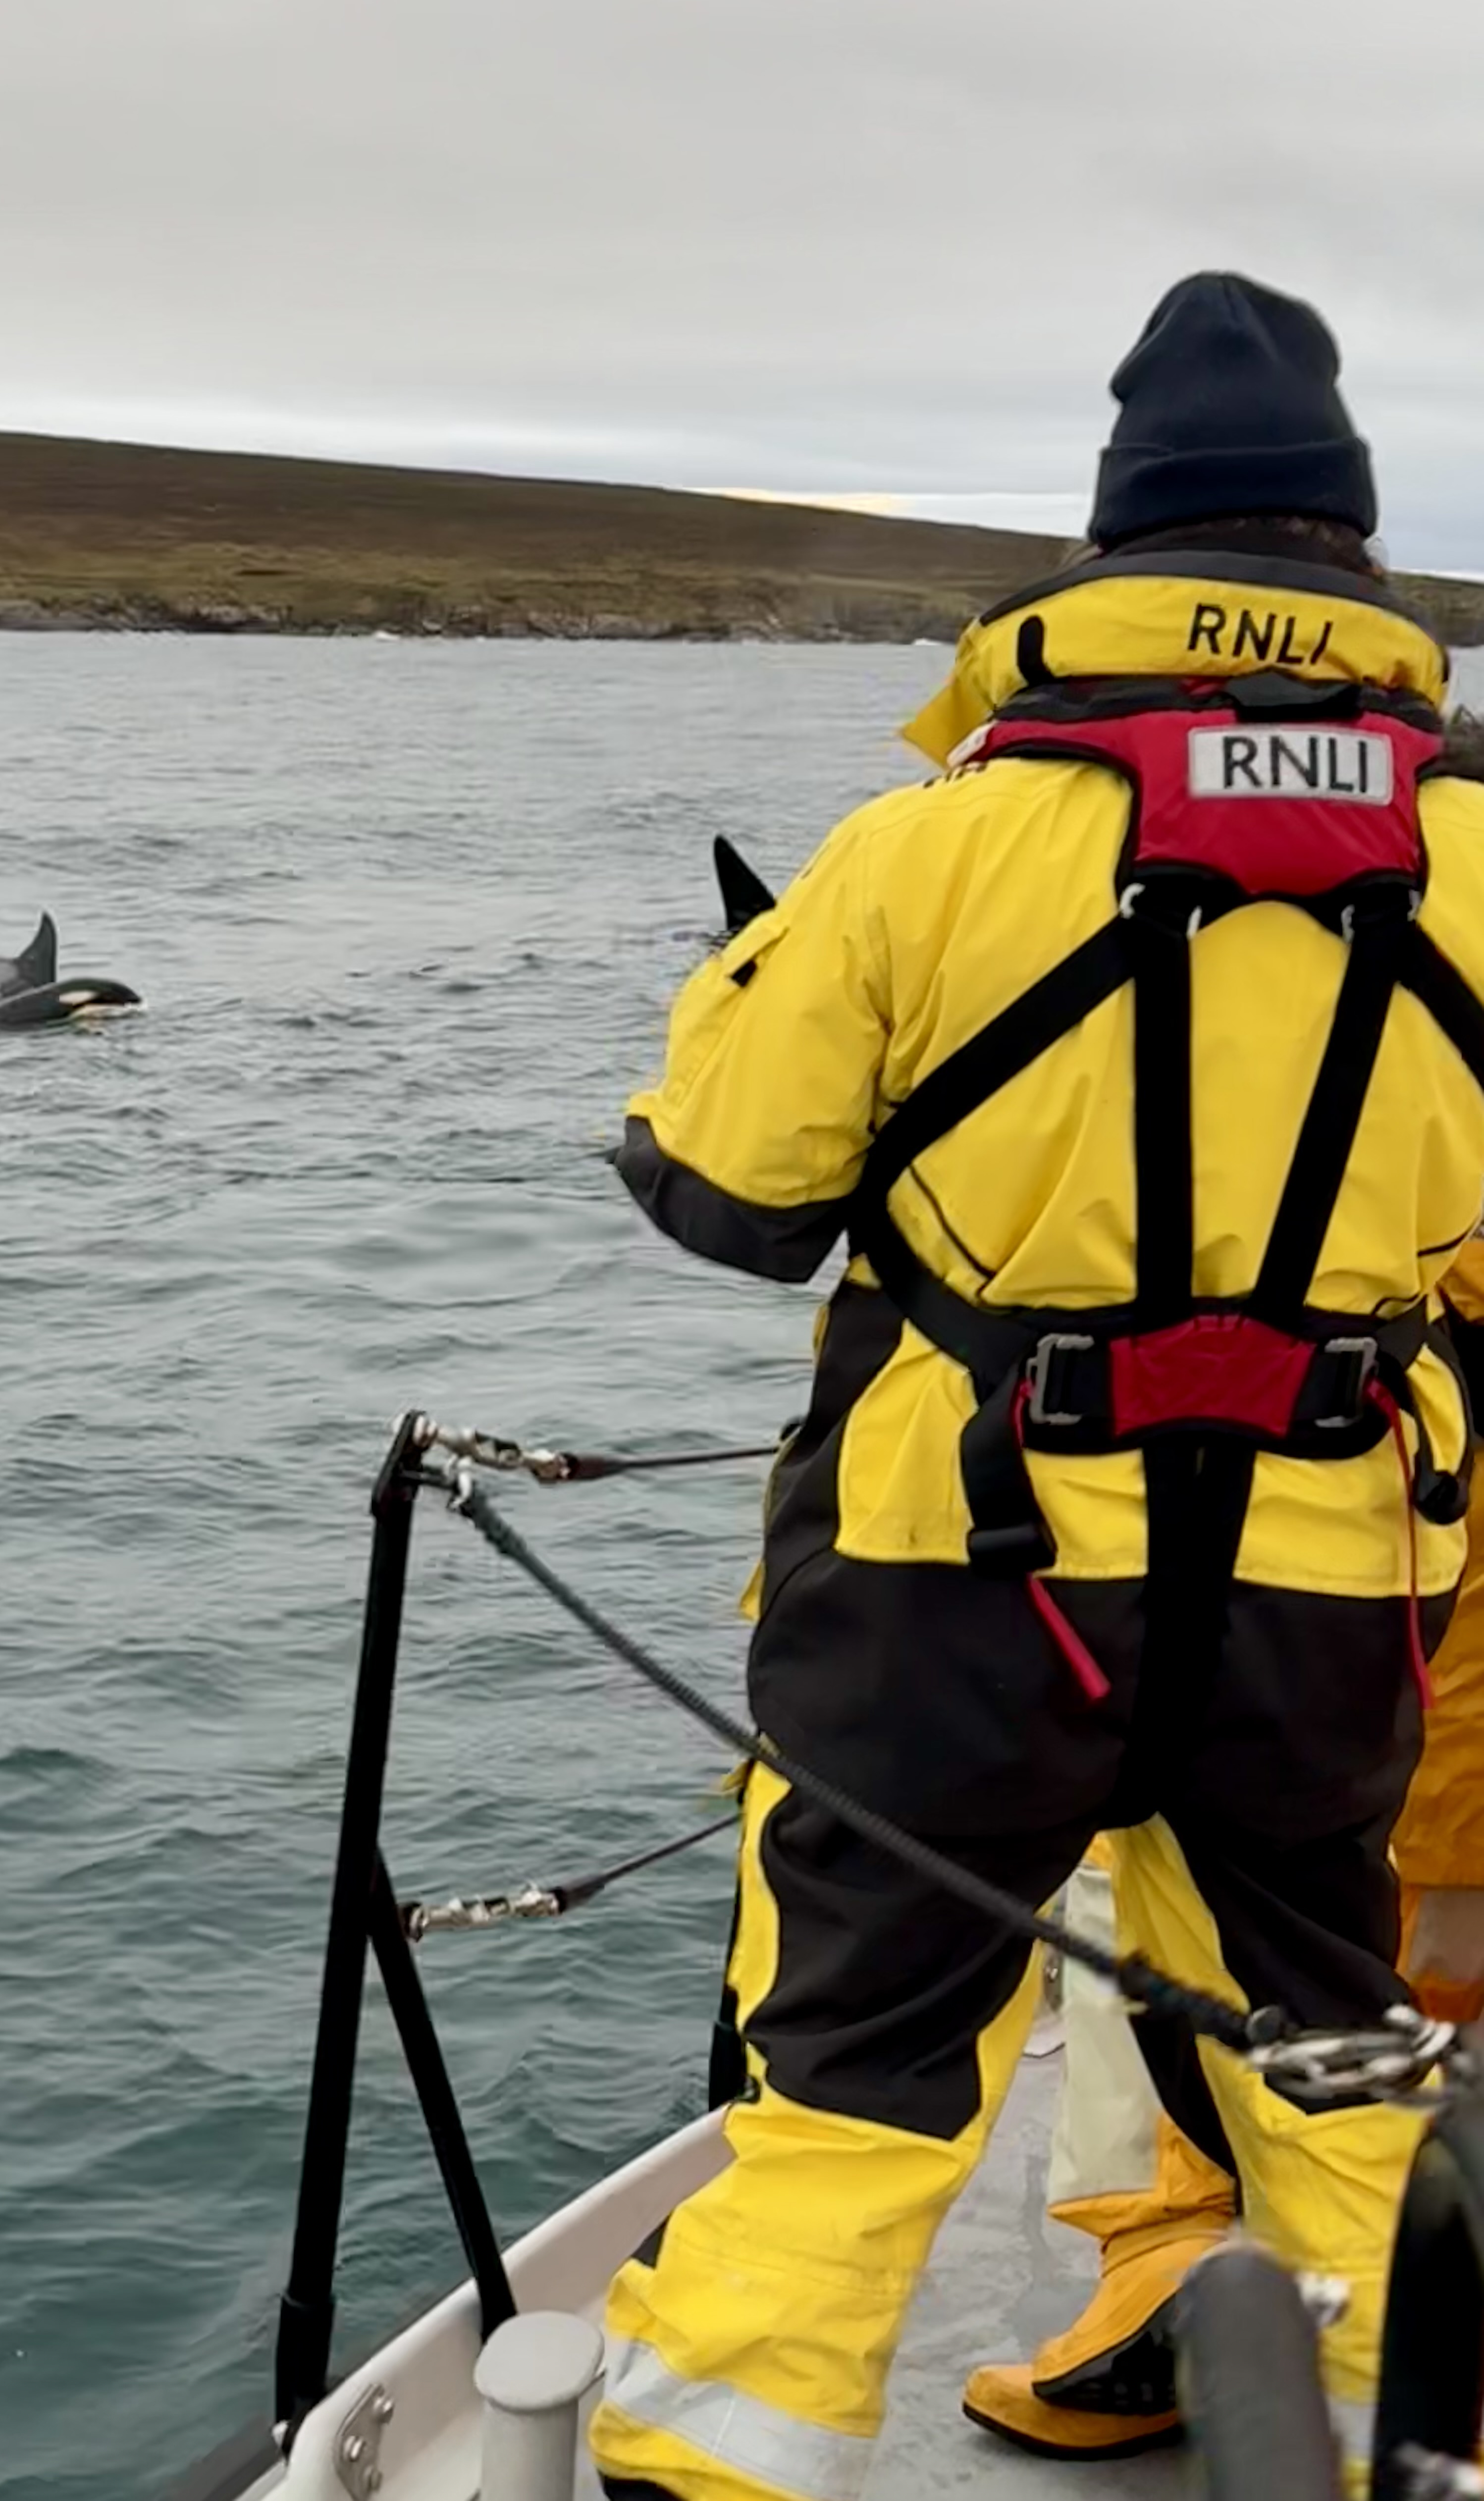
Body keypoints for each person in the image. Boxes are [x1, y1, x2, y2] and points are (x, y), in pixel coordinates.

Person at [589, 271, 1484, 2501]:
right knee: (1332, 2054)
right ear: (1355, 562)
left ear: (1114, 548)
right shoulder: (1477, 853)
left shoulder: (926, 844)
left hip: (951, 1577)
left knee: (857, 2091)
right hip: (1328, 1573)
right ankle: (1418, 2458)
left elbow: (725, 1195)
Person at [959, 1244, 1484, 2461]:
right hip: (1360, 1406)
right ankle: (1201, 2270)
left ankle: (1213, 2271)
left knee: (1245, 1876)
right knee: (1330, 1883)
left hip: (1346, 1417)